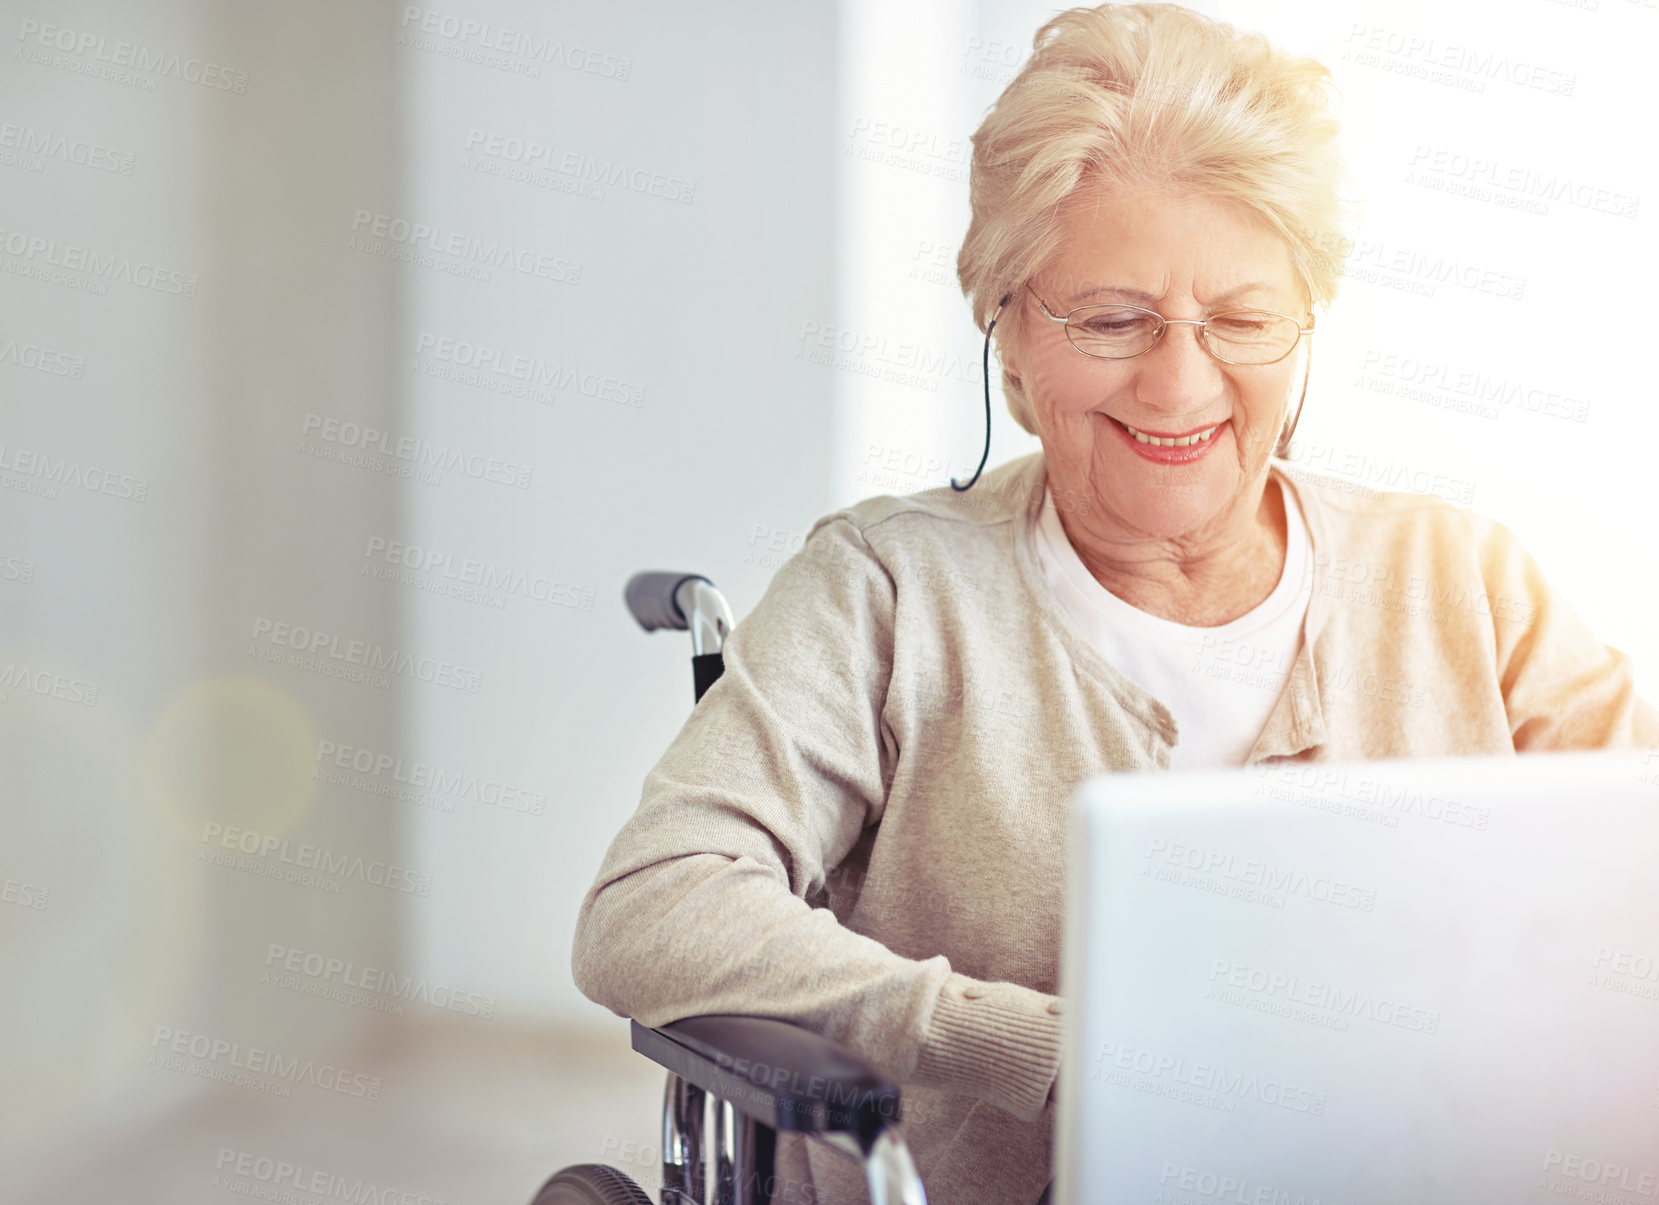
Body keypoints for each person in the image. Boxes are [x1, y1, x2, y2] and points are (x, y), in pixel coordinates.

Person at [571, 4, 1659, 1202]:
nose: (1181, 382)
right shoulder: (890, 591)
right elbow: (654, 903)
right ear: (1010, 335)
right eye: (1111, 319)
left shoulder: (1465, 585)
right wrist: (1021, 1042)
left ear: (1306, 328)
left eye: (1242, 319)